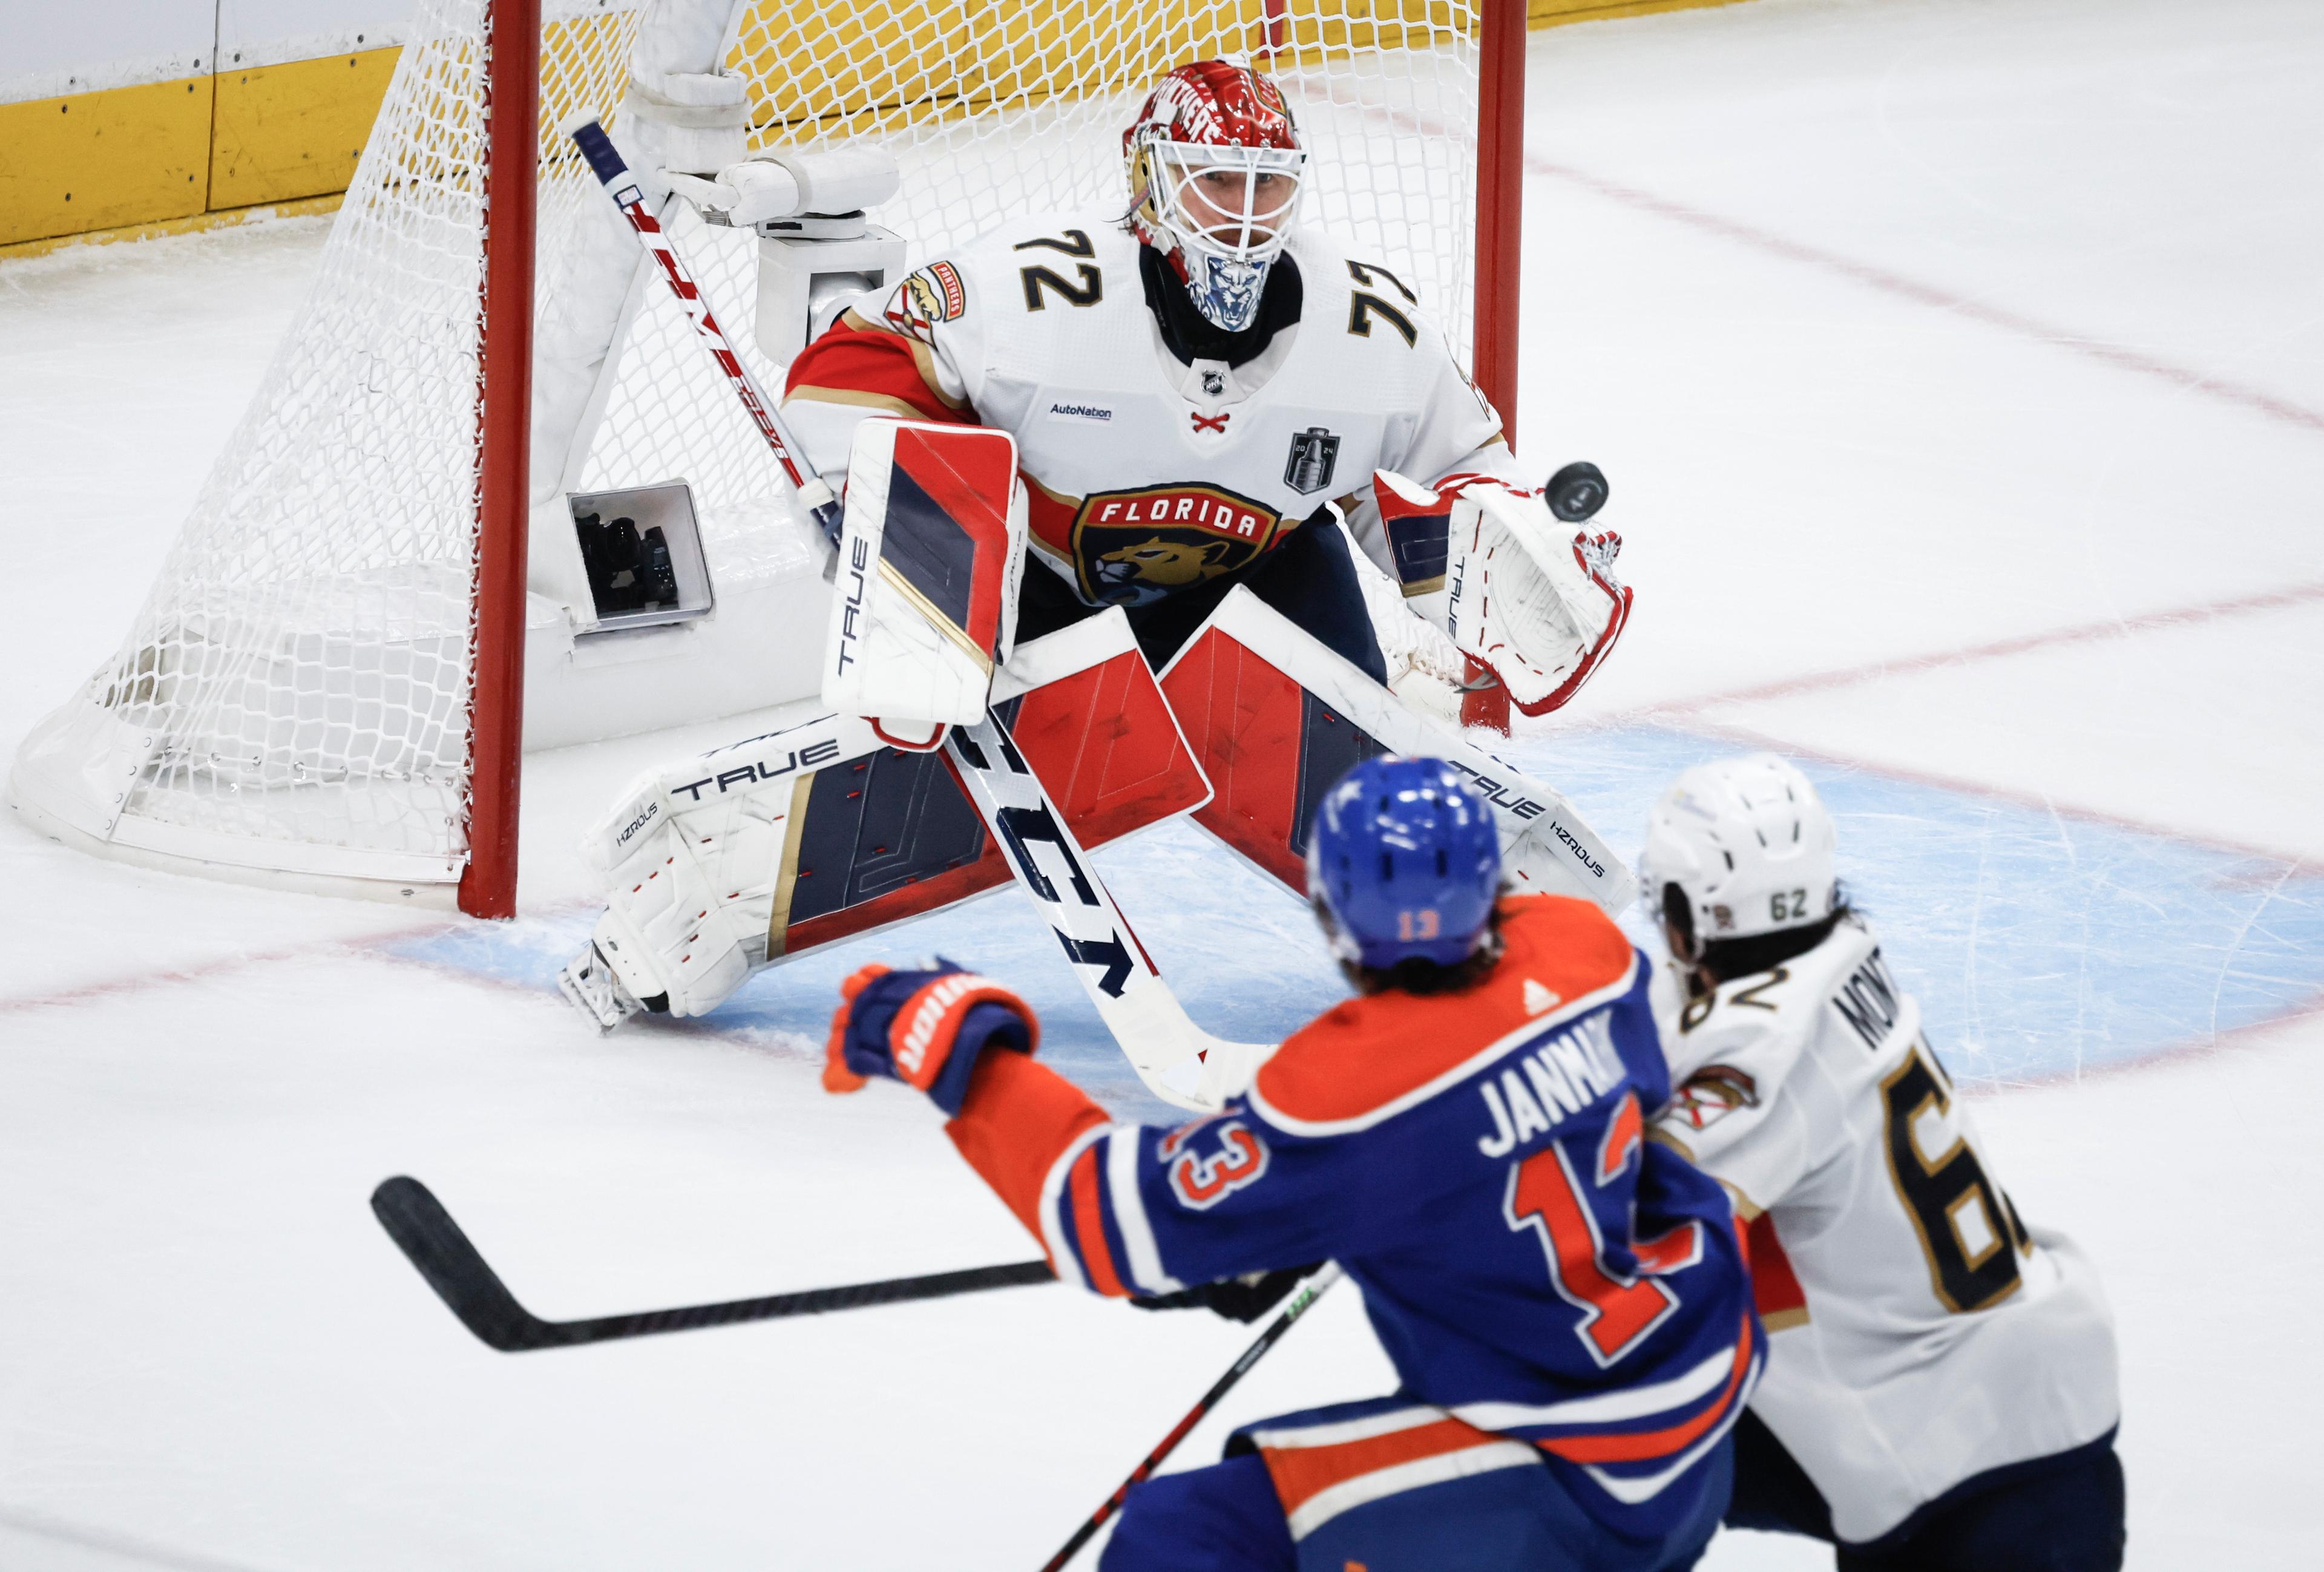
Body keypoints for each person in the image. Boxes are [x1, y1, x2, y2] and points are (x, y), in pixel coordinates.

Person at [822, 756, 1759, 1570]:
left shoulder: (1343, 1097)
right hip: (1701, 1404)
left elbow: (1106, 1218)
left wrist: (950, 1040)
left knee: (1180, 1542)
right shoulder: (1588, 947)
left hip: (1582, 1475)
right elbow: (1567, 1114)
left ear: (1334, 910)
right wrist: (1344, 1213)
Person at [779, 59, 1535, 686]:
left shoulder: (1369, 329)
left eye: (1266, 184)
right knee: (939, 575)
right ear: (1150, 182)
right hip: (1039, 593)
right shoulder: (1035, 295)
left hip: (1259, 585)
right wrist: (881, 505)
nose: (1244, 216)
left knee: (1354, 780)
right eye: (1215, 180)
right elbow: (860, 357)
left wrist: (1528, 571)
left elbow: (1458, 468)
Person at [1640, 754, 2124, 1571]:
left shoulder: (1760, 1050)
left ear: (1689, 910)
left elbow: (1633, 1214)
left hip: (1973, 1460)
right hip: (2007, 1394)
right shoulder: (1845, 950)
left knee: (1589, 1432)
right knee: (1639, 1450)